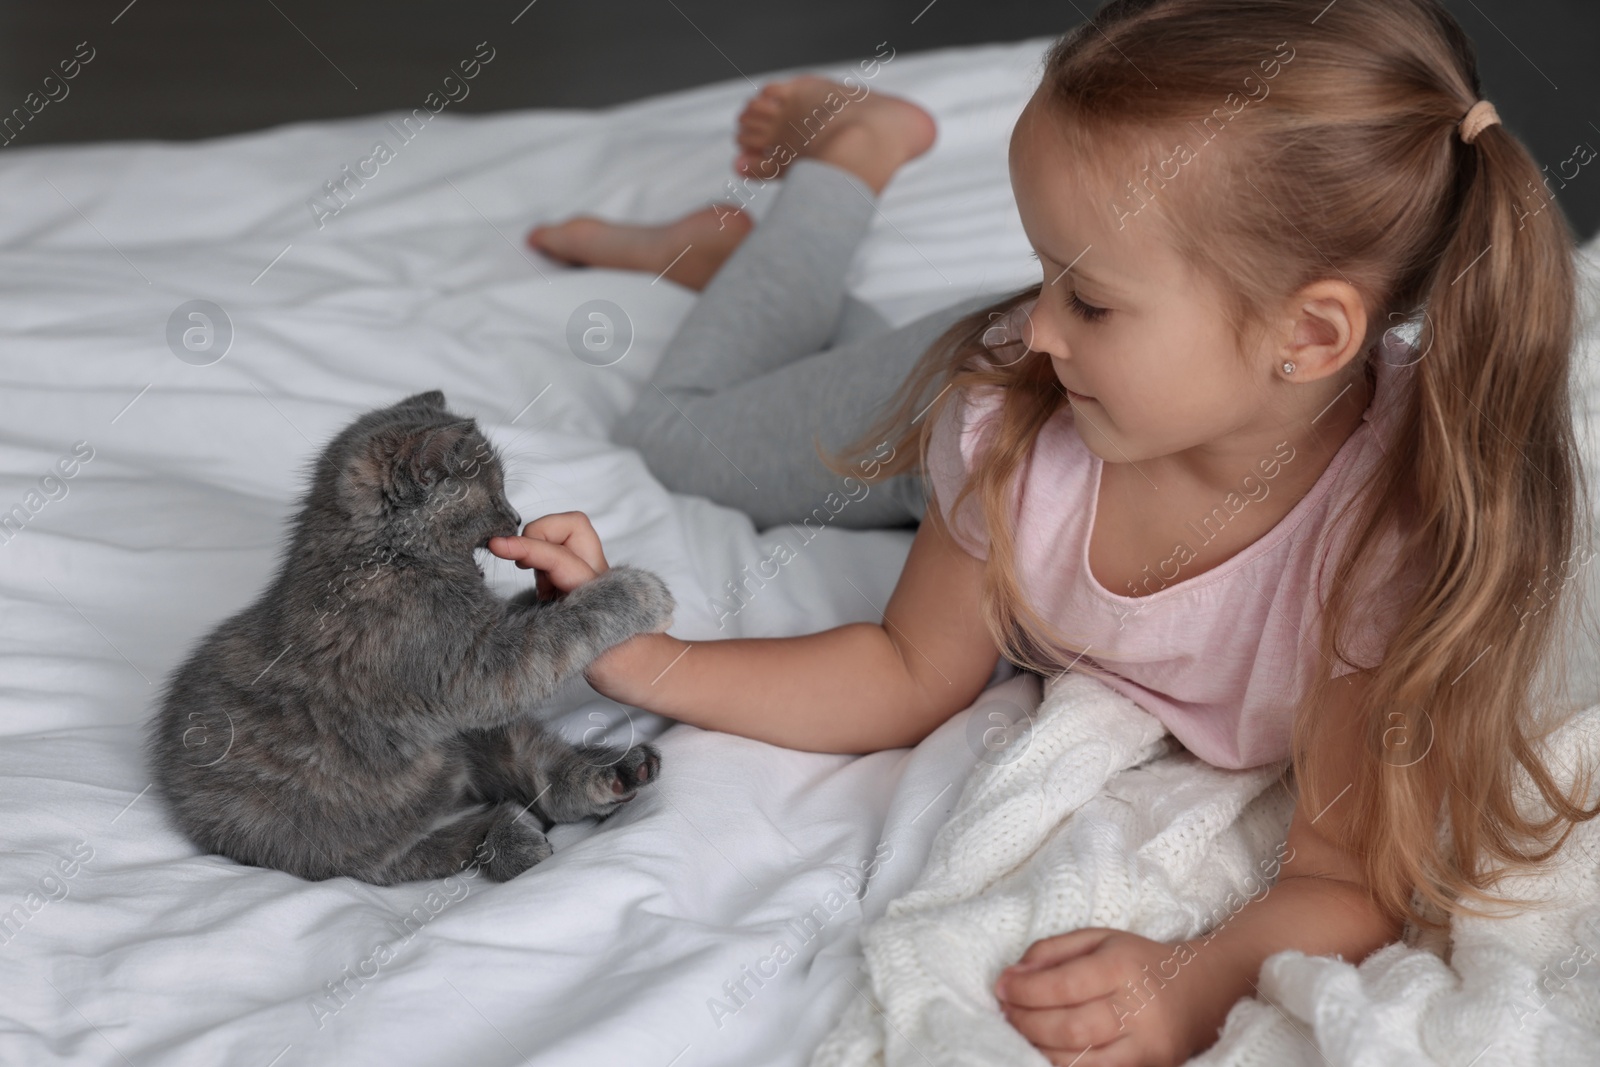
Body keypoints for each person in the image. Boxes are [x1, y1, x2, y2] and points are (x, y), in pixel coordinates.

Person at [493, 1, 1599, 1062]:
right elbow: (903, 668)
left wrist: (1189, 979)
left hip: (1066, 411)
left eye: (1091, 299)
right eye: (1043, 272)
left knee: (822, 390)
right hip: (945, 388)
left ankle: (755, 261)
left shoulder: (1383, 543)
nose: (1037, 323)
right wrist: (652, 659)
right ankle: (850, 162)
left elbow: (1344, 878)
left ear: (1308, 336)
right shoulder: (1008, 399)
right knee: (679, 439)